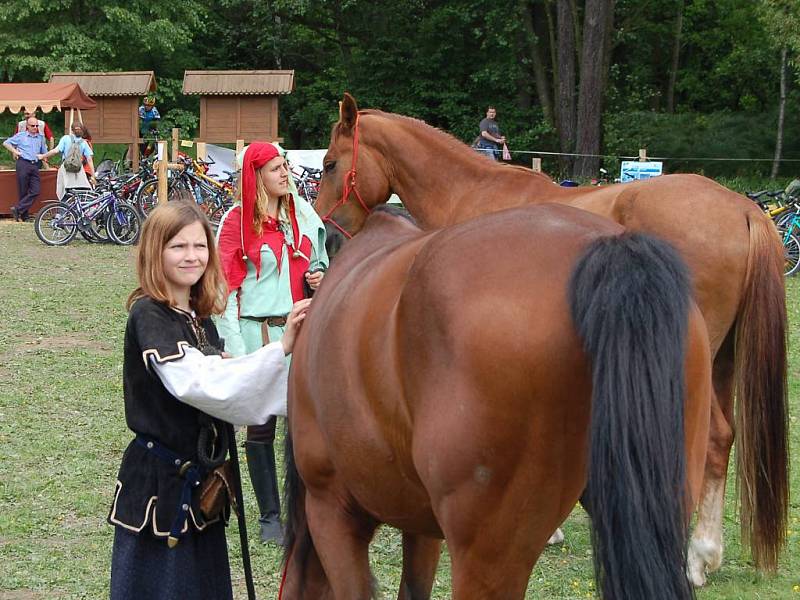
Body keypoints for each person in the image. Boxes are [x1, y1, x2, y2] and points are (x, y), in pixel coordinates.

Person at [108, 200, 312, 600]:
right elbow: (200, 383)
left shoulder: (198, 319)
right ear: (155, 251)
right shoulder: (150, 315)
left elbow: (226, 372)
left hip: (202, 483)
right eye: (178, 247)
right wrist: (280, 348)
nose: (192, 257)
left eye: (200, 246)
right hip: (161, 485)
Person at [215, 142, 328, 544]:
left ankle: (305, 509)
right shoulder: (236, 222)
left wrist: (317, 276)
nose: (285, 174)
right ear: (256, 176)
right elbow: (224, 291)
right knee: (260, 426)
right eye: (276, 168)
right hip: (255, 334)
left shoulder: (300, 214)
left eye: (285, 167)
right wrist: (236, 352)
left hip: (300, 330)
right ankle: (269, 517)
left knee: (302, 425)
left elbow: (317, 258)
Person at [3, 116, 47, 222]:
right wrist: (15, 152)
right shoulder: (21, 136)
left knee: (36, 190)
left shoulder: (40, 137)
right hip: (23, 163)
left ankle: (18, 209)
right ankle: (24, 215)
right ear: (27, 126)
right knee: (23, 190)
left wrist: (46, 162)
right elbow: (6, 143)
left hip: (35, 164)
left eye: (37, 125)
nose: (35, 127)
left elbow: (44, 152)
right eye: (33, 126)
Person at [38, 122, 96, 200]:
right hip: (78, 170)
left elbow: (55, 151)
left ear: (71, 130)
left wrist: (43, 156)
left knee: (64, 191)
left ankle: (63, 210)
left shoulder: (65, 138)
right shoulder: (84, 142)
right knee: (81, 191)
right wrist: (93, 175)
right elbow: (89, 160)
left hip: (66, 168)